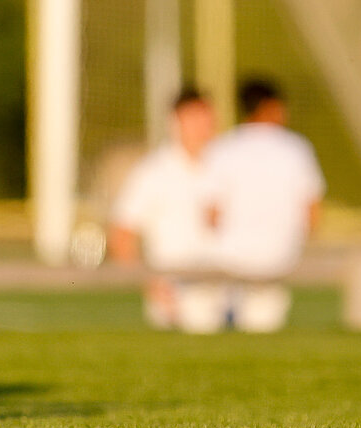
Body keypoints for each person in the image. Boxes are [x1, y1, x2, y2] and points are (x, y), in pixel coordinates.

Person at [201, 79, 325, 333]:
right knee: (262, 331)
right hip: (277, 259)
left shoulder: (222, 147)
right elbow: (312, 210)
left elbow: (211, 213)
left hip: (229, 260)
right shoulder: (296, 148)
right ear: (272, 107)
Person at [109, 86, 223, 332]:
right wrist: (151, 286)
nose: (203, 125)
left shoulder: (225, 165)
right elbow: (122, 234)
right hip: (176, 291)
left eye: (206, 116)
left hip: (226, 286)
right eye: (194, 117)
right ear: (175, 120)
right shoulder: (153, 171)